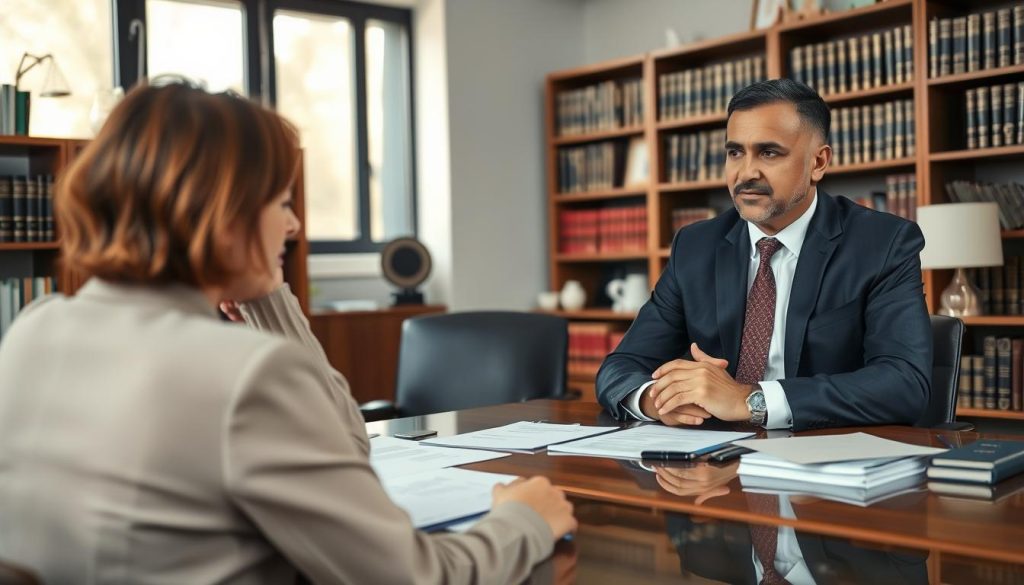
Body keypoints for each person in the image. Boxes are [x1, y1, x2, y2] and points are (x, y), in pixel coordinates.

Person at [0, 79, 575, 584]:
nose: (295, 223)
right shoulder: (246, 374)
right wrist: (523, 520)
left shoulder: (35, 329)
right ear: (222, 214)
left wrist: (264, 290)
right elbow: (410, 575)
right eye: (280, 201)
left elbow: (346, 464)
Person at [597, 78, 931, 431]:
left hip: (822, 456)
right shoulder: (695, 246)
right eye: (735, 152)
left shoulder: (883, 243)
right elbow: (619, 368)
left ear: (818, 162)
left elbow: (905, 383)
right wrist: (657, 399)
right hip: (712, 461)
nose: (746, 173)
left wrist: (749, 400)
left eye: (769, 153)